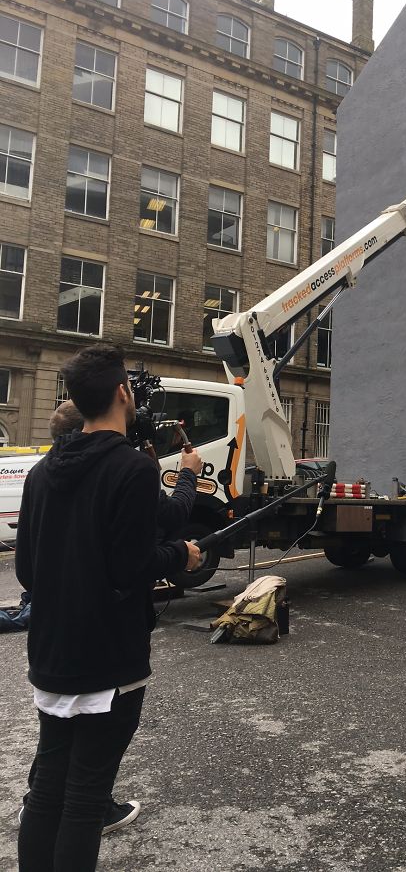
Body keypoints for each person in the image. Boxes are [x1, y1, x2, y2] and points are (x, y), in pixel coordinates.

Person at [15, 344, 201, 872]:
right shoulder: (132, 470)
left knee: (46, 787)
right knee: (86, 795)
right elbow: (130, 566)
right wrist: (181, 555)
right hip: (108, 661)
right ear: (123, 393)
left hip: (51, 655)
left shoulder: (42, 472)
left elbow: (27, 570)